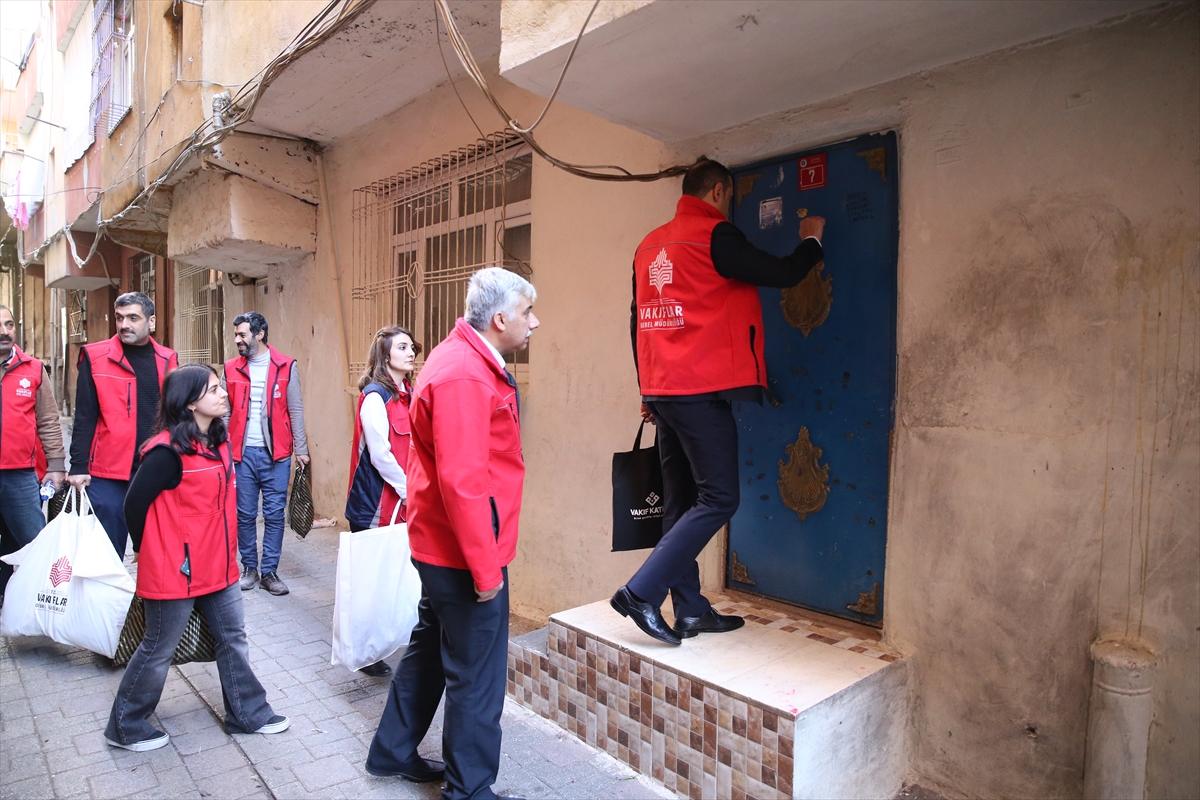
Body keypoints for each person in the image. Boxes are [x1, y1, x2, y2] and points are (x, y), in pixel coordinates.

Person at [612, 158, 827, 645]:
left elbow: (638, 320)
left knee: (681, 501)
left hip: (665, 390)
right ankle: (642, 592)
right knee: (719, 497)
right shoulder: (715, 236)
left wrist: (648, 387)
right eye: (728, 197)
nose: (728, 204)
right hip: (698, 390)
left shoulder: (649, 245)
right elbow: (782, 273)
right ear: (719, 191)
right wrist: (812, 240)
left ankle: (690, 610)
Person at [366, 267, 539, 799]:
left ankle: (391, 751)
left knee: (429, 652)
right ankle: (469, 789)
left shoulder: (460, 356)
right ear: (501, 318)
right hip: (463, 552)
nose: (535, 323)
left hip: (442, 543)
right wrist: (486, 570)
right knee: (476, 674)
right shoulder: (465, 372)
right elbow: (463, 483)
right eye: (528, 313)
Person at [106, 364, 289, 751]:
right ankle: (126, 726)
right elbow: (133, 506)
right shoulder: (165, 453)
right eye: (213, 390)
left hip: (219, 565)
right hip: (176, 568)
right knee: (158, 648)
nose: (223, 394)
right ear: (190, 404)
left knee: (233, 637)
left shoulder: (218, 441)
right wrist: (147, 549)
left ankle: (247, 714)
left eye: (221, 388)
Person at [68, 292, 177, 558]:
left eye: (133, 318)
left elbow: (175, 414)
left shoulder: (167, 359)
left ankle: (148, 600)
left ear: (150, 322)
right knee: (106, 551)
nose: (124, 324)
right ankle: (105, 599)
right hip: (108, 470)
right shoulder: (95, 357)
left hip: (153, 467)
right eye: (119, 318)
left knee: (156, 549)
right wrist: (78, 465)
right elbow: (84, 415)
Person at [345, 326, 421, 678]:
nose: (411, 352)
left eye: (412, 347)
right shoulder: (376, 397)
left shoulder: (410, 393)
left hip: (404, 499)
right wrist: (410, 489)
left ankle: (393, 641)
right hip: (376, 503)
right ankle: (365, 652)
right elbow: (380, 454)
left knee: (399, 576)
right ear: (385, 355)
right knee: (370, 583)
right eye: (402, 347)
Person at [223, 312, 309, 596]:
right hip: (242, 455)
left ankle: (269, 571)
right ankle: (249, 568)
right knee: (245, 515)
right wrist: (221, 449)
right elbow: (223, 413)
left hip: (277, 456)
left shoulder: (285, 366)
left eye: (243, 334)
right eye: (236, 335)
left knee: (274, 515)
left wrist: (301, 450)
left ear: (259, 334)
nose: (238, 340)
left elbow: (294, 409)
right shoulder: (231, 369)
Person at [0, 304, 66, 602]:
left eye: (9, 324)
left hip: (21, 476)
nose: (4, 331)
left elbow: (49, 421)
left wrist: (55, 465)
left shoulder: (33, 368)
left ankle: (37, 605)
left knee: (33, 543)